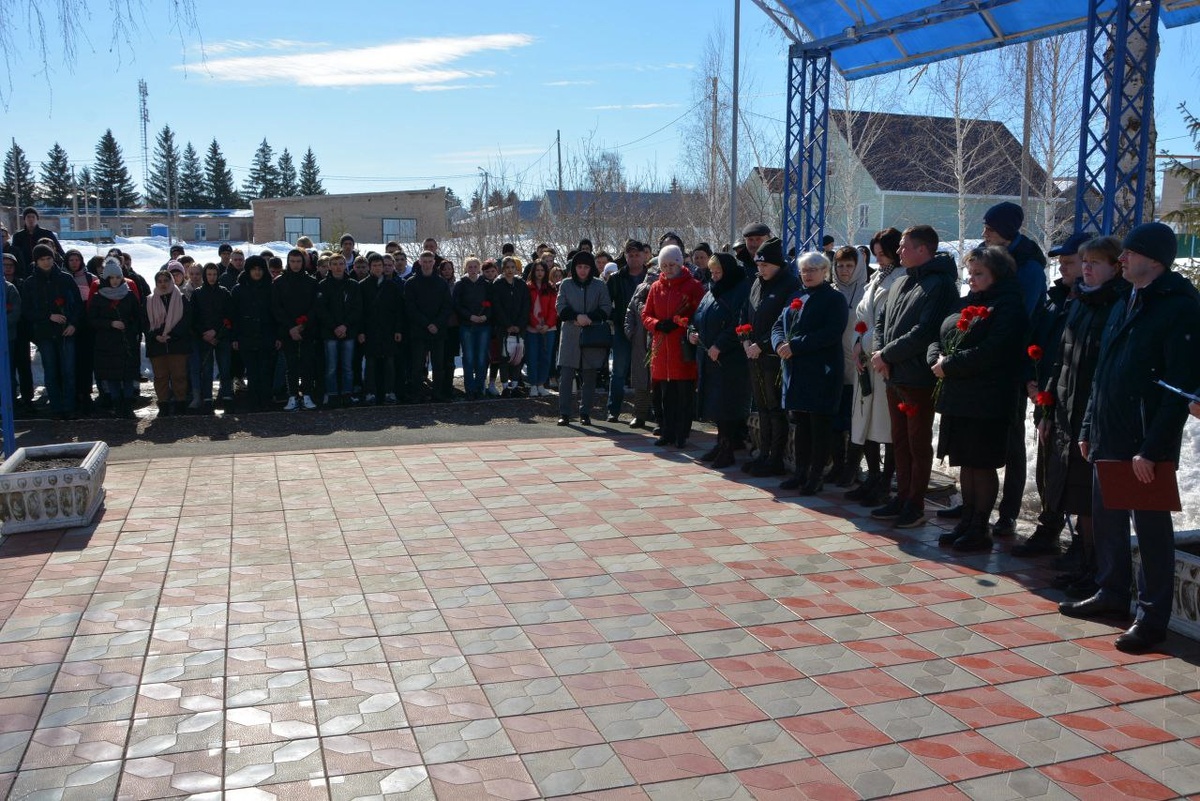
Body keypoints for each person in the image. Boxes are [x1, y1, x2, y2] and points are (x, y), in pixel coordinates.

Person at [1063, 222, 1200, 653]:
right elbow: (1104, 371)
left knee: (1151, 527)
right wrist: (1089, 425)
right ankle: (1111, 591)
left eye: (1129, 253)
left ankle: (1152, 615)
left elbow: (1180, 387)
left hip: (1144, 440)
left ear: (1154, 259)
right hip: (1110, 430)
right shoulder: (1129, 299)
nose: (1121, 259)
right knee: (1107, 516)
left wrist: (1154, 448)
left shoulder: (1179, 305)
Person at [1038, 236, 1129, 598]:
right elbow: (1061, 361)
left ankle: (1097, 572)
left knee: (1092, 501)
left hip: (1094, 416)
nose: (1086, 267)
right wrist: (1047, 409)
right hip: (1066, 410)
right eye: (1084, 261)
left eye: (1094, 262)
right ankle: (1086, 565)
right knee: (1075, 495)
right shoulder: (1081, 303)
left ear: (1115, 266)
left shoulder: (1118, 305)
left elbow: (1104, 370)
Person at [929, 246, 1029, 551]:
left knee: (982, 464)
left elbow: (995, 350)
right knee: (966, 463)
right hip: (960, 396)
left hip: (989, 399)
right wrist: (935, 356)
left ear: (997, 275)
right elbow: (940, 334)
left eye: (979, 274)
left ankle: (980, 527)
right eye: (970, 273)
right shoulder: (967, 302)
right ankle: (968, 520)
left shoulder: (1009, 306)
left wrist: (950, 365)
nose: (971, 279)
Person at [869, 225, 958, 528]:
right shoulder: (902, 281)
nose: (898, 252)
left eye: (905, 246)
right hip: (893, 374)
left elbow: (926, 331)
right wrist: (880, 352)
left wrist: (887, 355)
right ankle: (902, 496)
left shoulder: (940, 284)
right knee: (899, 441)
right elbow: (882, 320)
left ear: (923, 250)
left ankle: (916, 504)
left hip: (918, 377)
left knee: (918, 443)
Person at [1011, 230, 1093, 557]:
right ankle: (1049, 525)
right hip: (1046, 394)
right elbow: (1037, 342)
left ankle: (1082, 544)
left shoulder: (1092, 303)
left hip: (1073, 401)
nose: (1063, 268)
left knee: (1074, 474)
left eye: (1070, 262)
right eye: (1061, 262)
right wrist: (1030, 380)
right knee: (1047, 466)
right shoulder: (1054, 299)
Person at [981, 201, 1048, 539]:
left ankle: (1007, 512)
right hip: (988, 361)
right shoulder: (989, 254)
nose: (984, 234)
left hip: (1014, 362)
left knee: (1011, 441)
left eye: (990, 229)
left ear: (1006, 231)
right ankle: (975, 503)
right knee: (981, 436)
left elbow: (1023, 316)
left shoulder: (1029, 266)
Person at [772, 252, 848, 494]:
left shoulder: (834, 298)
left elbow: (831, 332)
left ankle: (816, 476)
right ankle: (800, 472)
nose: (808, 274)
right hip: (796, 372)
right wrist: (779, 343)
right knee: (802, 425)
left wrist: (796, 345)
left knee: (819, 427)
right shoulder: (796, 296)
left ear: (825, 271)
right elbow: (778, 325)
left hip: (821, 372)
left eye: (813, 269)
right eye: (804, 270)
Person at [849, 229, 904, 507]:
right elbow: (863, 317)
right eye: (877, 254)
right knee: (865, 421)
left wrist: (867, 342)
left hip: (884, 361)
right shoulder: (874, 279)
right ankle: (872, 476)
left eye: (883, 253)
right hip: (865, 361)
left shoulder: (900, 279)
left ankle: (886, 481)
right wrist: (857, 343)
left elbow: (890, 323)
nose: (879, 259)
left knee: (885, 423)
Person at [743, 237, 801, 476]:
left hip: (774, 356)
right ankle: (763, 453)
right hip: (754, 354)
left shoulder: (789, 284)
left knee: (775, 408)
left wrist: (763, 343)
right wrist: (744, 337)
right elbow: (746, 312)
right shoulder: (757, 282)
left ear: (777, 264)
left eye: (765, 265)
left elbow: (786, 322)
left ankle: (776, 458)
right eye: (758, 265)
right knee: (763, 407)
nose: (761, 269)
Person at [689, 252, 751, 467]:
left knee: (726, 404)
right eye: (712, 272)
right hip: (709, 357)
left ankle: (727, 447)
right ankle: (720, 443)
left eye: (718, 272)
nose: (714, 277)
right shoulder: (711, 290)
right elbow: (698, 316)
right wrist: (693, 332)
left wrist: (720, 345)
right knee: (715, 404)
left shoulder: (740, 290)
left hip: (729, 359)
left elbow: (738, 322)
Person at [643, 245, 705, 448]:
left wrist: (681, 322)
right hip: (662, 347)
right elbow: (646, 314)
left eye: (672, 264)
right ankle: (666, 431)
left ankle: (681, 433)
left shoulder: (693, 286)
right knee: (664, 395)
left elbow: (698, 314)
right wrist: (658, 324)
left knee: (684, 395)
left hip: (681, 347)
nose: (668, 269)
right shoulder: (655, 287)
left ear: (680, 263)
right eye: (664, 265)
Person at [21, 243, 82, 420]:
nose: (46, 262)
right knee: (51, 371)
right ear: (36, 261)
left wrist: (73, 324)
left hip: (66, 332)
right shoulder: (30, 283)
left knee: (69, 370)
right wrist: (48, 316)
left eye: (49, 258)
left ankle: (69, 407)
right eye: (42, 259)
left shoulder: (65, 278)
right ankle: (56, 408)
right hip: (45, 334)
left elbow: (77, 304)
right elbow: (27, 310)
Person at [556, 251, 613, 426]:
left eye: (586, 267)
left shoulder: (599, 285)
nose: (582, 270)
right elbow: (560, 307)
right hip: (571, 334)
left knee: (589, 376)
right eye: (579, 267)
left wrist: (590, 318)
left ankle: (585, 412)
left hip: (592, 334)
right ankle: (564, 413)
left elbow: (605, 307)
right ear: (574, 268)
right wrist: (576, 317)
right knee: (566, 375)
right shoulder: (565, 284)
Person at [829, 245, 869, 486]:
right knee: (835, 420)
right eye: (840, 265)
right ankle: (838, 464)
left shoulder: (866, 292)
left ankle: (853, 468)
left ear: (858, 267)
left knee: (856, 421)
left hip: (857, 365)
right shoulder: (830, 291)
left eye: (849, 266)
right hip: (834, 365)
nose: (844, 270)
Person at [88, 257, 143, 419]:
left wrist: (129, 328)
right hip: (107, 343)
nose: (115, 281)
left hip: (126, 342)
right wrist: (110, 323)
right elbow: (92, 320)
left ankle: (127, 403)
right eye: (111, 277)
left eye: (118, 277)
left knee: (127, 375)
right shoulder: (99, 297)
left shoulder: (129, 295)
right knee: (112, 376)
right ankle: (116, 403)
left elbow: (137, 317)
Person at [606, 240, 649, 422]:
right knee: (618, 372)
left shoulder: (651, 276)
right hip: (622, 331)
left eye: (637, 255)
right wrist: (618, 318)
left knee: (645, 373)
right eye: (630, 255)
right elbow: (607, 304)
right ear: (625, 256)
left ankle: (645, 411)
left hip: (647, 332)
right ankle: (613, 410)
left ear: (644, 255)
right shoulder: (616, 278)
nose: (634, 258)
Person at [272, 248, 320, 411]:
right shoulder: (279, 282)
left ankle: (306, 394)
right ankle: (292, 395)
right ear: (288, 262)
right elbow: (277, 308)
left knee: (307, 363)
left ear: (304, 262)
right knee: (291, 365)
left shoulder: (311, 282)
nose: (295, 265)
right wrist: (290, 327)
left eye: (298, 261)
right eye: (292, 261)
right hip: (288, 331)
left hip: (307, 329)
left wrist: (303, 325)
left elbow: (315, 307)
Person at [230, 255, 279, 412]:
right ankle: (253, 401)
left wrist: (277, 336)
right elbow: (234, 316)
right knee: (251, 370)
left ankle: (265, 400)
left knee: (265, 370)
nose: (257, 272)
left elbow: (276, 314)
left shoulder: (271, 288)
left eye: (260, 269)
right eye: (253, 269)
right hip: (246, 335)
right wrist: (235, 337)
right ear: (248, 270)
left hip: (266, 334)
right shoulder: (238, 289)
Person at [143, 268, 192, 417]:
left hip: (177, 344)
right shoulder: (149, 300)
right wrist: (156, 335)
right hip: (157, 345)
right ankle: (163, 404)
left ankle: (180, 403)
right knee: (160, 377)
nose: (163, 284)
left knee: (179, 376)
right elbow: (144, 322)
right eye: (160, 281)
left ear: (171, 281)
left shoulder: (181, 297)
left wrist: (172, 334)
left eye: (166, 281)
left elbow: (187, 319)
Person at [405, 250, 452, 403]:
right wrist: (426, 324)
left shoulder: (441, 282)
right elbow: (410, 307)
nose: (426, 264)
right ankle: (417, 394)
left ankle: (437, 393)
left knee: (438, 365)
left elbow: (447, 306)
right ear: (419, 262)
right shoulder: (411, 283)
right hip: (419, 330)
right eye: (424, 262)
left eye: (429, 261)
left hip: (438, 331)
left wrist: (436, 324)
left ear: (434, 263)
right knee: (417, 365)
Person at [318, 252, 363, 408]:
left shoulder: (353, 285)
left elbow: (357, 309)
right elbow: (321, 310)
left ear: (346, 266)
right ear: (329, 266)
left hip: (348, 332)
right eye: (335, 264)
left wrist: (345, 325)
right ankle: (331, 395)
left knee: (347, 366)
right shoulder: (323, 285)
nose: (338, 267)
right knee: (331, 366)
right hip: (330, 333)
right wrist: (335, 326)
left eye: (341, 264)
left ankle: (347, 394)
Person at [359, 253, 404, 404]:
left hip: (389, 330)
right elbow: (359, 312)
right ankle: (370, 392)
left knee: (389, 362)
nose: (378, 268)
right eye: (375, 266)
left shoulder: (392, 286)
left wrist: (398, 329)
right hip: (370, 330)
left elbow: (399, 310)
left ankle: (389, 392)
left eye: (380, 265)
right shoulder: (363, 286)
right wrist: (361, 332)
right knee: (370, 363)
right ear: (370, 267)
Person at [192, 263, 234, 412]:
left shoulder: (224, 292)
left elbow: (229, 316)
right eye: (209, 274)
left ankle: (227, 397)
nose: (212, 277)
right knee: (207, 369)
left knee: (225, 368)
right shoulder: (197, 294)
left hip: (221, 336)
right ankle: (207, 399)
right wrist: (205, 333)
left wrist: (217, 333)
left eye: (214, 274)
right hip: (204, 338)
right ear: (205, 275)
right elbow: (194, 318)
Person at [490, 256, 530, 398]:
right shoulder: (498, 284)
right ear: (503, 269)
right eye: (507, 267)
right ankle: (505, 386)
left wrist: (519, 325)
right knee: (504, 357)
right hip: (503, 328)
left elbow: (526, 305)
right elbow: (497, 307)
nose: (510, 270)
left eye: (512, 267)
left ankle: (514, 385)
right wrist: (507, 325)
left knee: (517, 357)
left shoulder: (521, 284)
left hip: (520, 328)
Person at [453, 257, 492, 401]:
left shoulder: (486, 284)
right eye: (470, 267)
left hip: (483, 326)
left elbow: (491, 303)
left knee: (482, 358)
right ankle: (469, 389)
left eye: (475, 266)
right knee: (468, 358)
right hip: (467, 325)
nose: (473, 269)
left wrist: (485, 316)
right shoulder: (461, 284)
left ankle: (479, 387)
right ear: (465, 268)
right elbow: (457, 305)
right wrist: (470, 316)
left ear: (479, 268)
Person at [624, 265, 658, 429]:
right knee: (640, 381)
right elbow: (630, 310)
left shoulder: (662, 291)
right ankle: (639, 415)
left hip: (657, 340)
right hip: (639, 340)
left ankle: (659, 416)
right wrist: (630, 331)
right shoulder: (640, 290)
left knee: (656, 381)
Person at [524, 259, 558, 398]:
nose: (539, 273)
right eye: (537, 270)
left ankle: (541, 384)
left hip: (548, 328)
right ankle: (532, 384)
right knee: (532, 356)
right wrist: (535, 324)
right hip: (532, 328)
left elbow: (554, 309)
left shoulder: (550, 288)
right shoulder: (527, 287)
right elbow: (526, 308)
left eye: (542, 270)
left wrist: (547, 325)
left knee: (546, 357)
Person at [10, 208, 64, 281]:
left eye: (33, 217)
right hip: (25, 271)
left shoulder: (47, 233)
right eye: (28, 217)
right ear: (24, 219)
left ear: (37, 219)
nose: (31, 219)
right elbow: (14, 254)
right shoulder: (18, 236)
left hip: (47, 269)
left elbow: (59, 251)